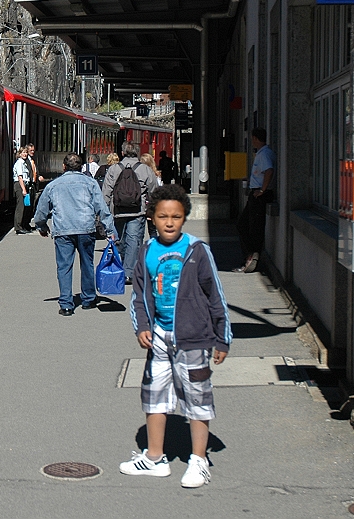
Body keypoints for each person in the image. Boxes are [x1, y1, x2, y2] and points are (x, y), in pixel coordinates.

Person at [119, 184, 231, 488]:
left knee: (197, 398)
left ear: (184, 218)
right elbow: (139, 296)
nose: (170, 222)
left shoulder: (196, 250)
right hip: (158, 338)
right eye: (163, 216)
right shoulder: (146, 251)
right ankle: (155, 458)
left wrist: (222, 337)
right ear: (152, 218)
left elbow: (215, 295)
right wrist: (142, 325)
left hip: (194, 339)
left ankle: (198, 460)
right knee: (154, 397)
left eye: (176, 216)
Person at [33, 153, 116, 315]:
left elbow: (41, 211)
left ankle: (66, 304)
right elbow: (102, 208)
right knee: (87, 263)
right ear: (81, 167)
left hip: (63, 230)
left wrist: (41, 226)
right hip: (86, 229)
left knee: (64, 266)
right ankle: (89, 299)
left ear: (64, 167)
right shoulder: (90, 183)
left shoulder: (54, 185)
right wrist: (110, 230)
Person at [102, 142, 158, 285]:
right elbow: (154, 192)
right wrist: (152, 209)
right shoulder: (145, 170)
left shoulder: (114, 169)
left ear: (122, 153)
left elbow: (106, 192)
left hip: (117, 211)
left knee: (118, 239)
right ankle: (129, 273)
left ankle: (119, 266)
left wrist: (105, 212)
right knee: (133, 241)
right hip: (137, 212)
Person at [235, 128, 275, 273]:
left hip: (260, 195)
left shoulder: (264, 154)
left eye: (253, 139)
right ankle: (250, 255)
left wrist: (262, 190)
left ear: (257, 139)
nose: (252, 141)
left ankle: (252, 256)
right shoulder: (262, 153)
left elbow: (269, 171)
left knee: (251, 227)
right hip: (256, 192)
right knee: (244, 224)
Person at [12, 147, 32, 234]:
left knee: (24, 205)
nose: (25, 154)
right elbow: (20, 177)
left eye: (26, 152)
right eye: (23, 152)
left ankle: (21, 225)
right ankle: (18, 227)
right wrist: (24, 189)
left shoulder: (24, 163)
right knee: (20, 206)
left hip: (23, 185)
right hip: (20, 185)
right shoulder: (19, 163)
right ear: (19, 154)